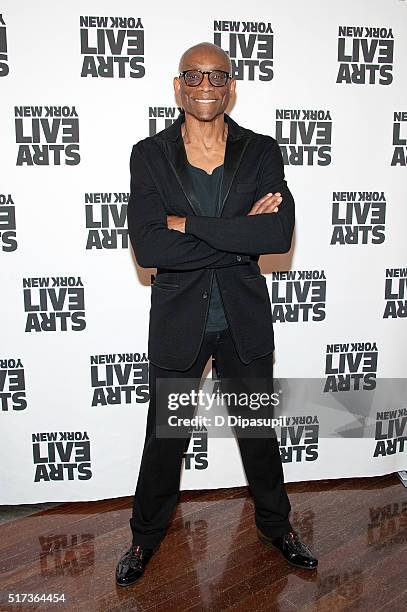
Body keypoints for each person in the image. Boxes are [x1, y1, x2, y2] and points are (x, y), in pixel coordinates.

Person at [116, 42, 318, 587]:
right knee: (166, 439)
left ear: (230, 86)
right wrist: (237, 237)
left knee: (258, 432)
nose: (206, 87)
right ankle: (144, 539)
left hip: (242, 318)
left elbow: (275, 233)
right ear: (178, 86)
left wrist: (188, 224)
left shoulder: (260, 151)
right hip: (181, 321)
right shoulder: (149, 155)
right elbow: (151, 248)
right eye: (194, 77)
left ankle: (278, 528)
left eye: (216, 77)